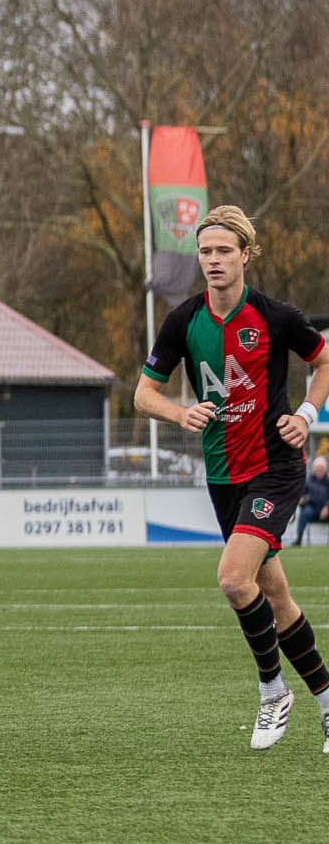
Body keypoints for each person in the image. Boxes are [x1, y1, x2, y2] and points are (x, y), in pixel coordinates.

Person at [135, 205, 329, 752]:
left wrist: (307, 417)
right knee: (276, 594)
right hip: (223, 476)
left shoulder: (276, 316)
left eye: (224, 251)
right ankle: (327, 701)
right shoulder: (183, 321)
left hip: (275, 467)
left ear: (246, 255)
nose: (214, 260)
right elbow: (142, 394)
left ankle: (273, 692)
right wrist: (179, 413)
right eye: (206, 251)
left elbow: (324, 362)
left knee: (232, 579)